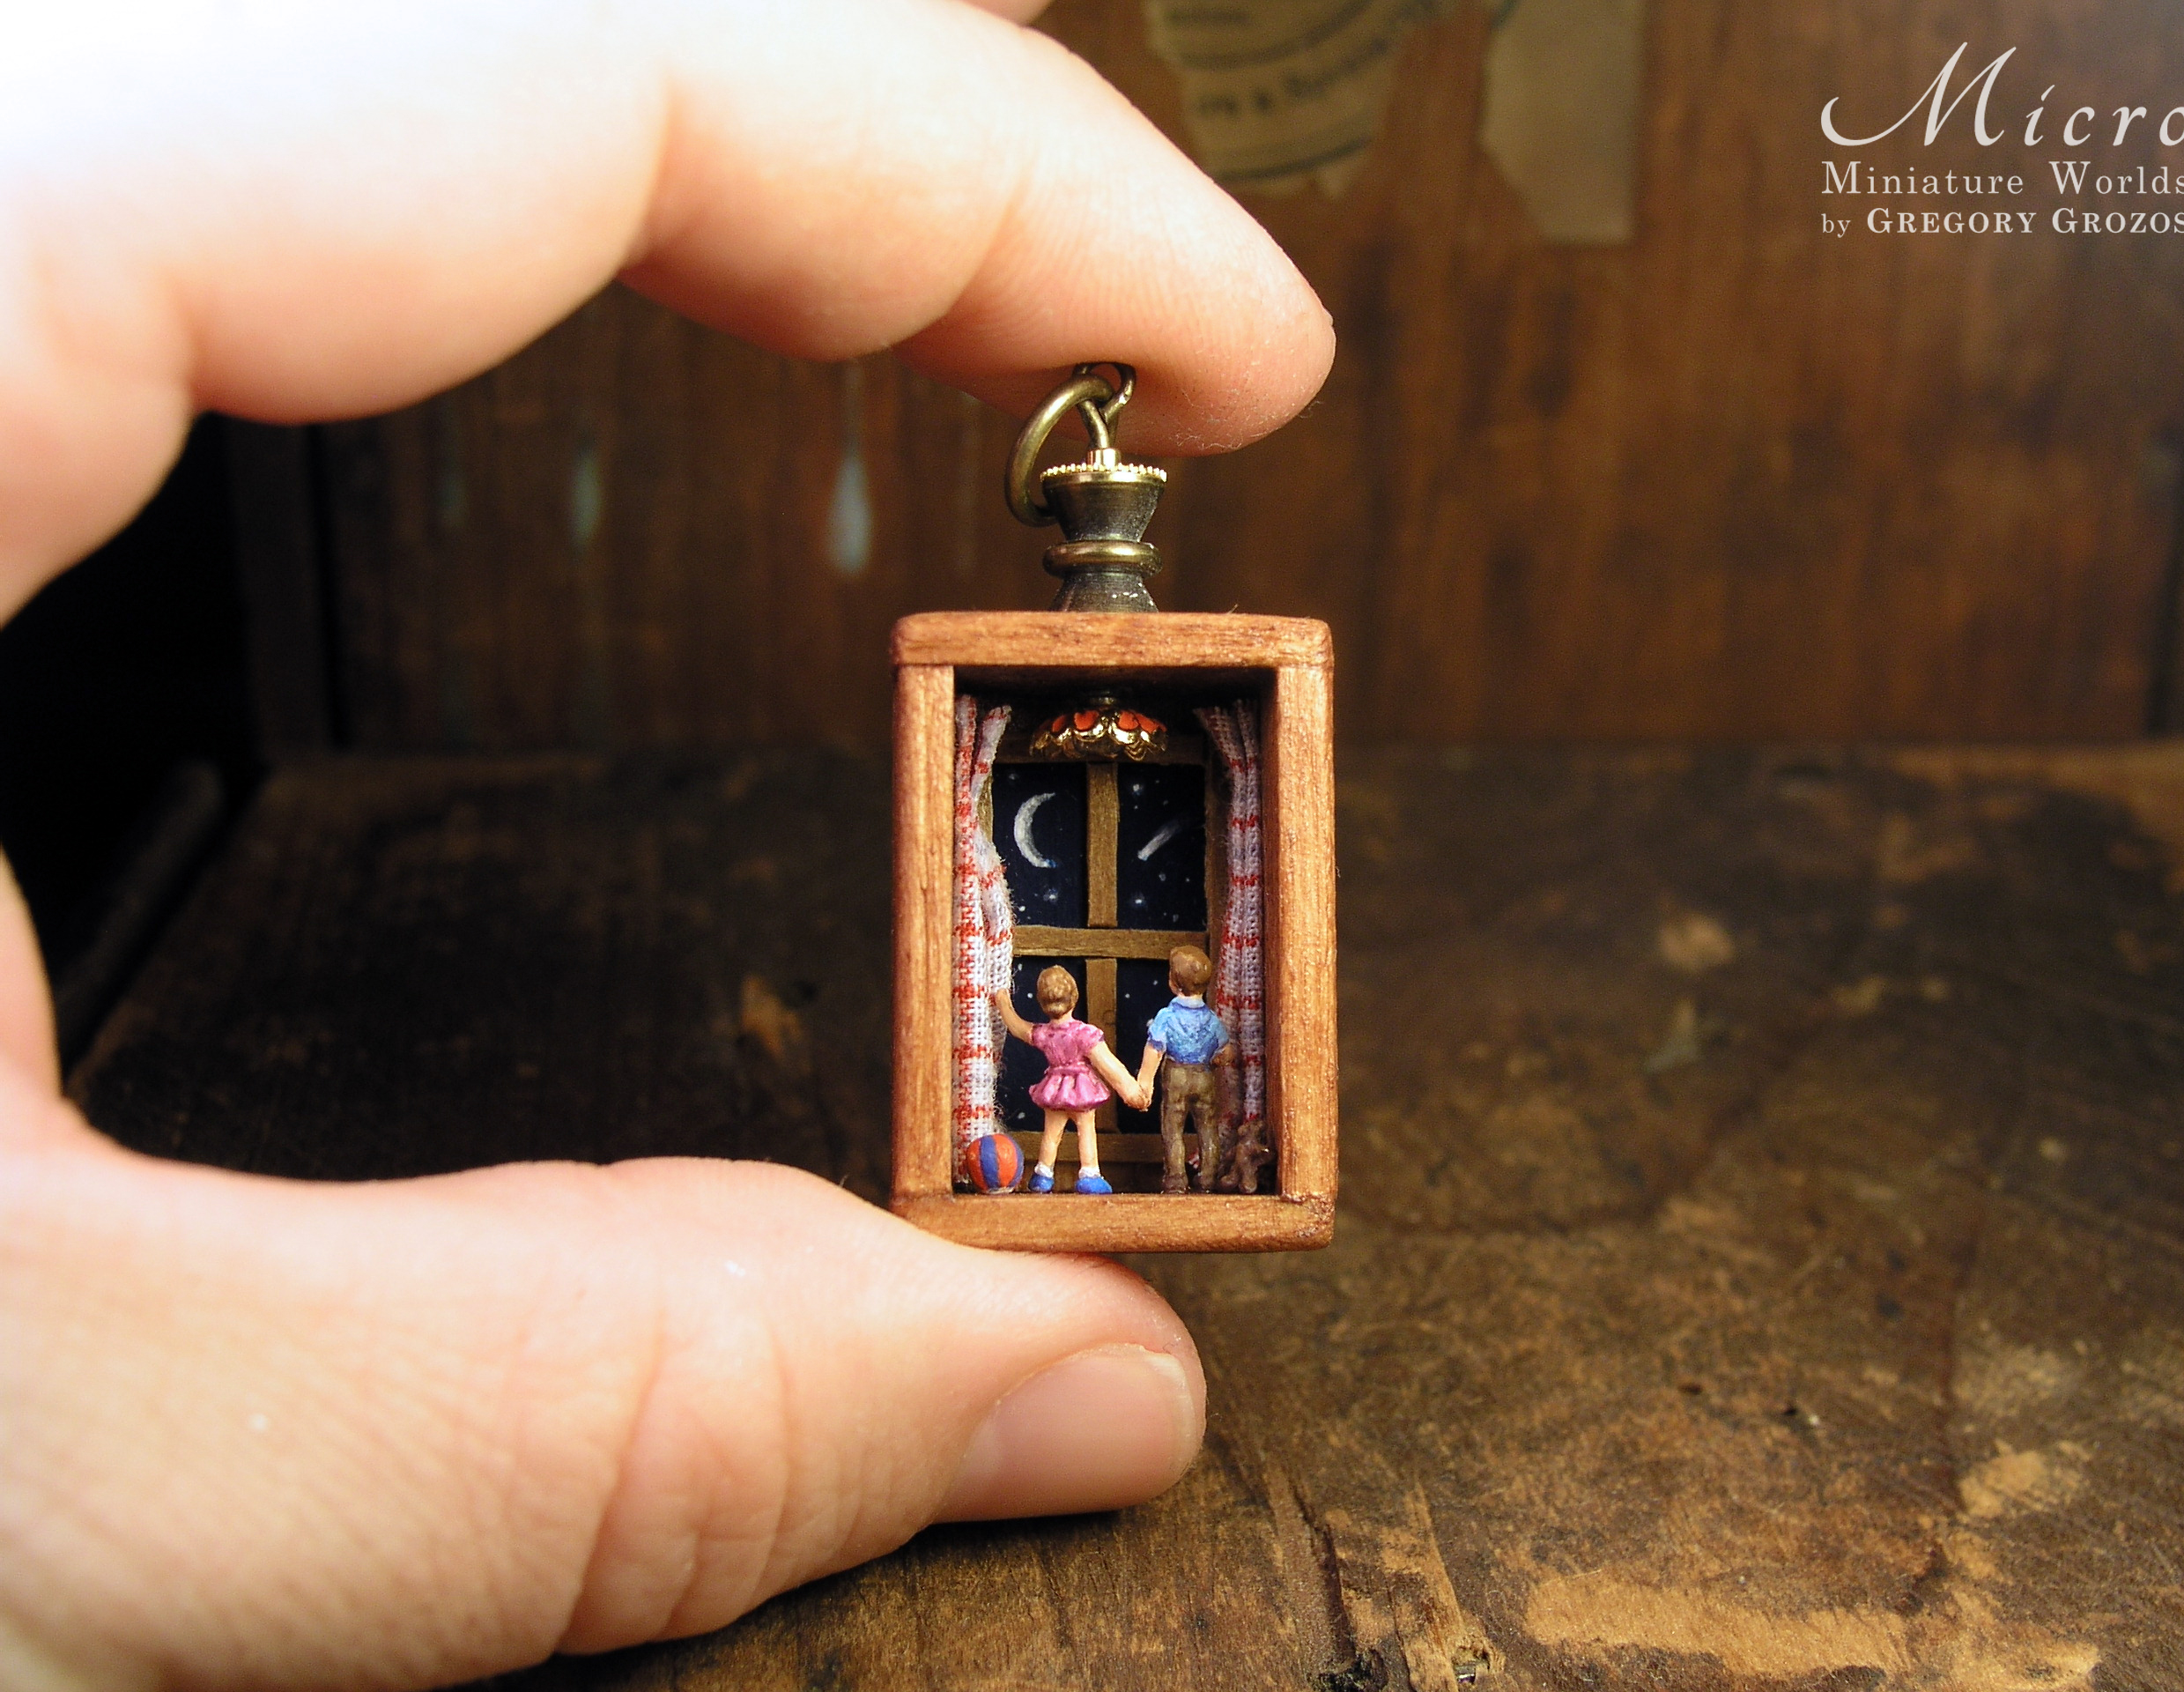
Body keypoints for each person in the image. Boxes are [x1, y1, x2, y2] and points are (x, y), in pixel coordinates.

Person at [0, 4, 1334, 1687]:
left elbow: (1149, 1056)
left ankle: (1155, 1170)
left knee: (1142, 1129)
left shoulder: (1184, 1005)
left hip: (1163, 1100)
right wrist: (1056, 1042)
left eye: (1117, 975)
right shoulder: (1064, 1001)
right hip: (1084, 1105)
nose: (1093, 979)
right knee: (1066, 1142)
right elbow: (1032, 1024)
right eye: (1077, 977)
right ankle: (1066, 1174)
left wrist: (1152, 1074)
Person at [992, 967, 1147, 1194]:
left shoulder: (1044, 1034)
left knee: (1051, 1133)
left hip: (1055, 1089)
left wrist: (1003, 1002)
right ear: (1074, 997)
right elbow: (1109, 1065)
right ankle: (1089, 1174)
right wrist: (1132, 1092)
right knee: (1086, 1130)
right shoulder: (1084, 1033)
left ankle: (1043, 1174)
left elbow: (1017, 1027)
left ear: (1042, 1002)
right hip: (1081, 1090)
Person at [1132, 945, 1240, 1196]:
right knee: (1208, 1128)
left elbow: (1155, 1049)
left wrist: (1144, 1081)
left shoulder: (1167, 1016)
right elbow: (1228, 1051)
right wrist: (1217, 1061)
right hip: (1204, 1076)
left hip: (1177, 1075)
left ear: (1173, 983)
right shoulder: (1212, 1019)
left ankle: (1176, 1179)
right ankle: (1208, 1177)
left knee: (1173, 1128)